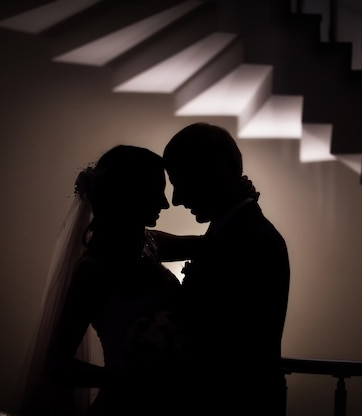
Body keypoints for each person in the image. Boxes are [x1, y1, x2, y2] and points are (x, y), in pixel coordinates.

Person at [17, 144, 197, 416]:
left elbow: (210, 244)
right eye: (156, 190)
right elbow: (56, 365)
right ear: (130, 194)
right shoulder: (93, 272)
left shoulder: (150, 243)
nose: (165, 203)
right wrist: (122, 379)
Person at [160, 122, 291, 416]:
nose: (176, 199)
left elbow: (230, 348)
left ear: (214, 172)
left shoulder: (253, 241)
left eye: (179, 180)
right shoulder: (230, 234)